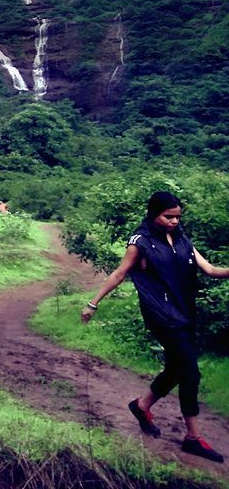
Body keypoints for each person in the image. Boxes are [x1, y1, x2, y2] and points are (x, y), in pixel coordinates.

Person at [81, 191, 229, 462]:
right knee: (190, 372)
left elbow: (209, 269)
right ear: (153, 214)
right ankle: (193, 437)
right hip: (160, 314)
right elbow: (120, 273)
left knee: (176, 367)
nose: (174, 221)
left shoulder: (182, 238)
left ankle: (142, 405)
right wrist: (93, 303)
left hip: (184, 312)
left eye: (177, 217)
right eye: (168, 217)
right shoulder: (141, 242)